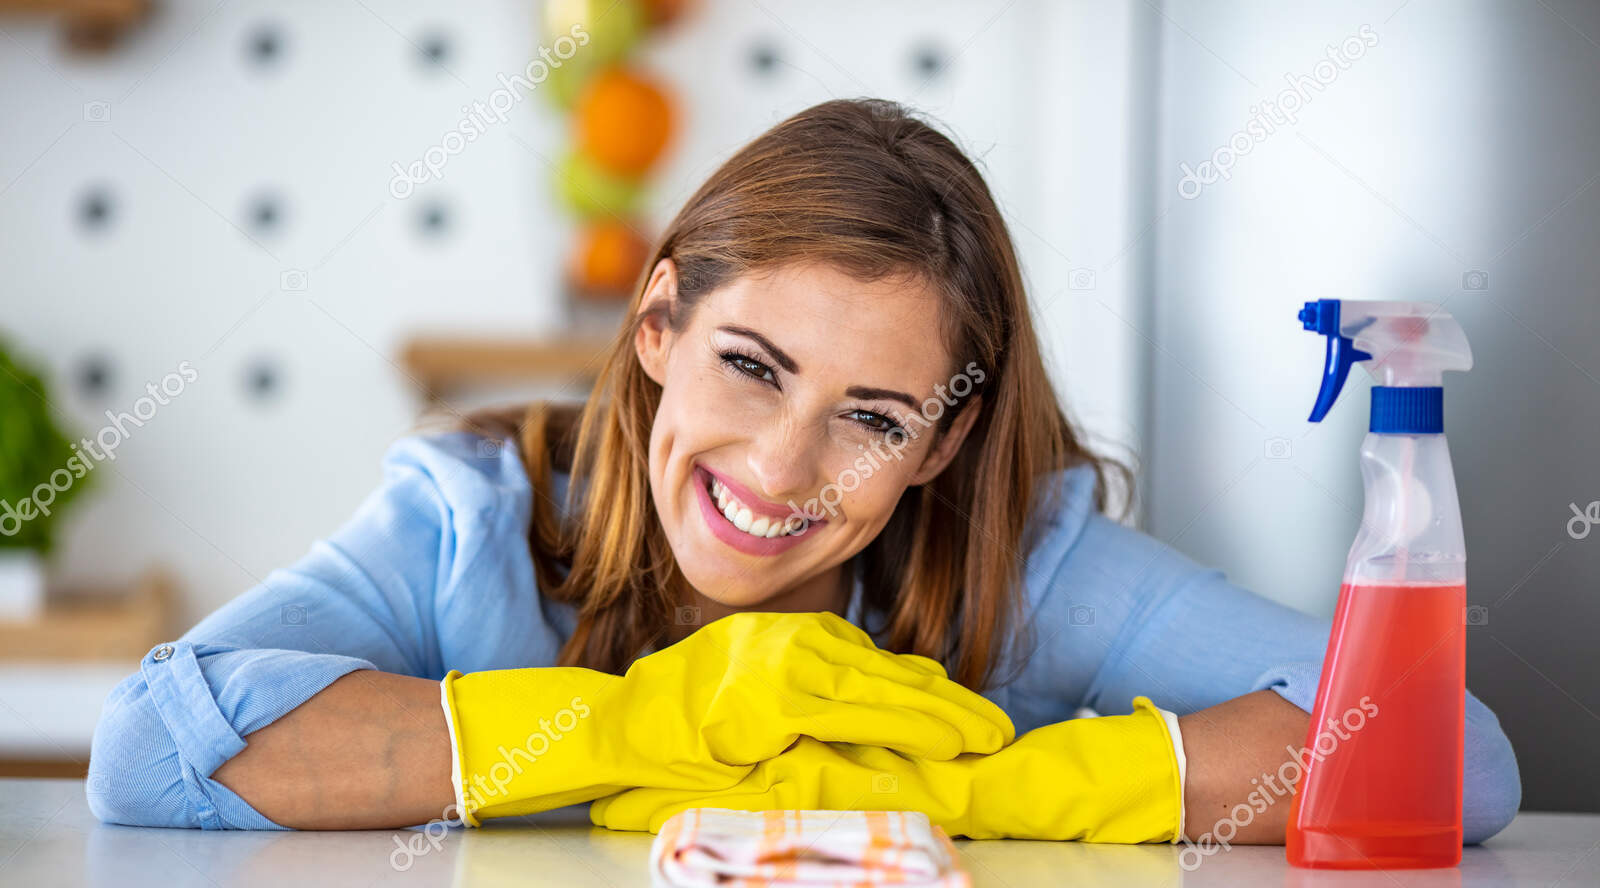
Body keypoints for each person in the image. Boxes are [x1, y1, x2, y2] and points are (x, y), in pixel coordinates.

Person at [87, 100, 1519, 849]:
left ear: (944, 441)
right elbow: (149, 752)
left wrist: (1002, 787)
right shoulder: (480, 519)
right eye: (751, 367)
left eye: (873, 417)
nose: (781, 468)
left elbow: (1447, 750)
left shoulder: (1024, 562)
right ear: (657, 326)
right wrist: (636, 729)